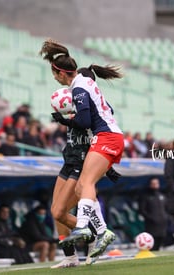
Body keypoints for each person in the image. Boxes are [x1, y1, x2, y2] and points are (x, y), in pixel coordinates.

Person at [40, 40, 124, 259]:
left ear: (61, 72)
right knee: (69, 199)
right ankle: (98, 232)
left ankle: (86, 229)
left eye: (55, 74)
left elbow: (86, 121)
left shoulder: (79, 87)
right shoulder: (84, 87)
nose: (55, 79)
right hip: (96, 143)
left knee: (83, 186)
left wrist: (65, 121)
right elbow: (102, 113)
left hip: (102, 141)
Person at [139, 178, 168, 251]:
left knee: (160, 240)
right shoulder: (146, 196)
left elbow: (167, 208)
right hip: (151, 225)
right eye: (153, 183)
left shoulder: (162, 196)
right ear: (150, 185)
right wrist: (151, 218)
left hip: (162, 223)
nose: (155, 185)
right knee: (152, 242)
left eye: (157, 183)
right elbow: (142, 210)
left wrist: (166, 217)